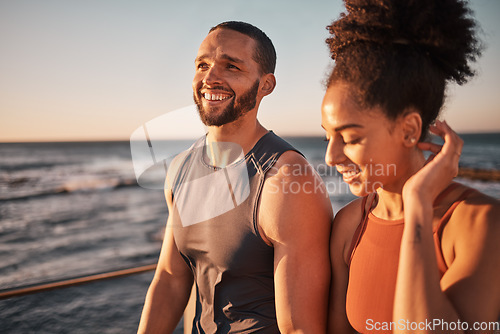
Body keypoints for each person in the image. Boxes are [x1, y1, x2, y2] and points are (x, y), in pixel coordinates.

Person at [138, 21, 332, 333]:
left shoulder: (286, 182)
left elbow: (300, 328)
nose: (210, 78)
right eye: (203, 65)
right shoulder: (180, 168)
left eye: (231, 67)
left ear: (265, 85)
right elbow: (170, 279)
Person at [322, 1, 500, 333]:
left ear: (409, 130)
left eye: (349, 137)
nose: (331, 157)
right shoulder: (349, 224)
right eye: (327, 137)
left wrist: (417, 203)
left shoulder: (480, 223)